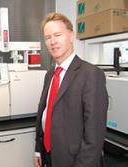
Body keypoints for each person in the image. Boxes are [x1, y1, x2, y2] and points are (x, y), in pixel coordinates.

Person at [34, 12, 109, 167]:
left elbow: (94, 136)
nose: (52, 41)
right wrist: (38, 149)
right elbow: (45, 114)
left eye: (58, 35)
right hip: (49, 155)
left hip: (75, 160)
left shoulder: (91, 74)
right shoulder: (50, 75)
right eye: (48, 37)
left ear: (71, 36)